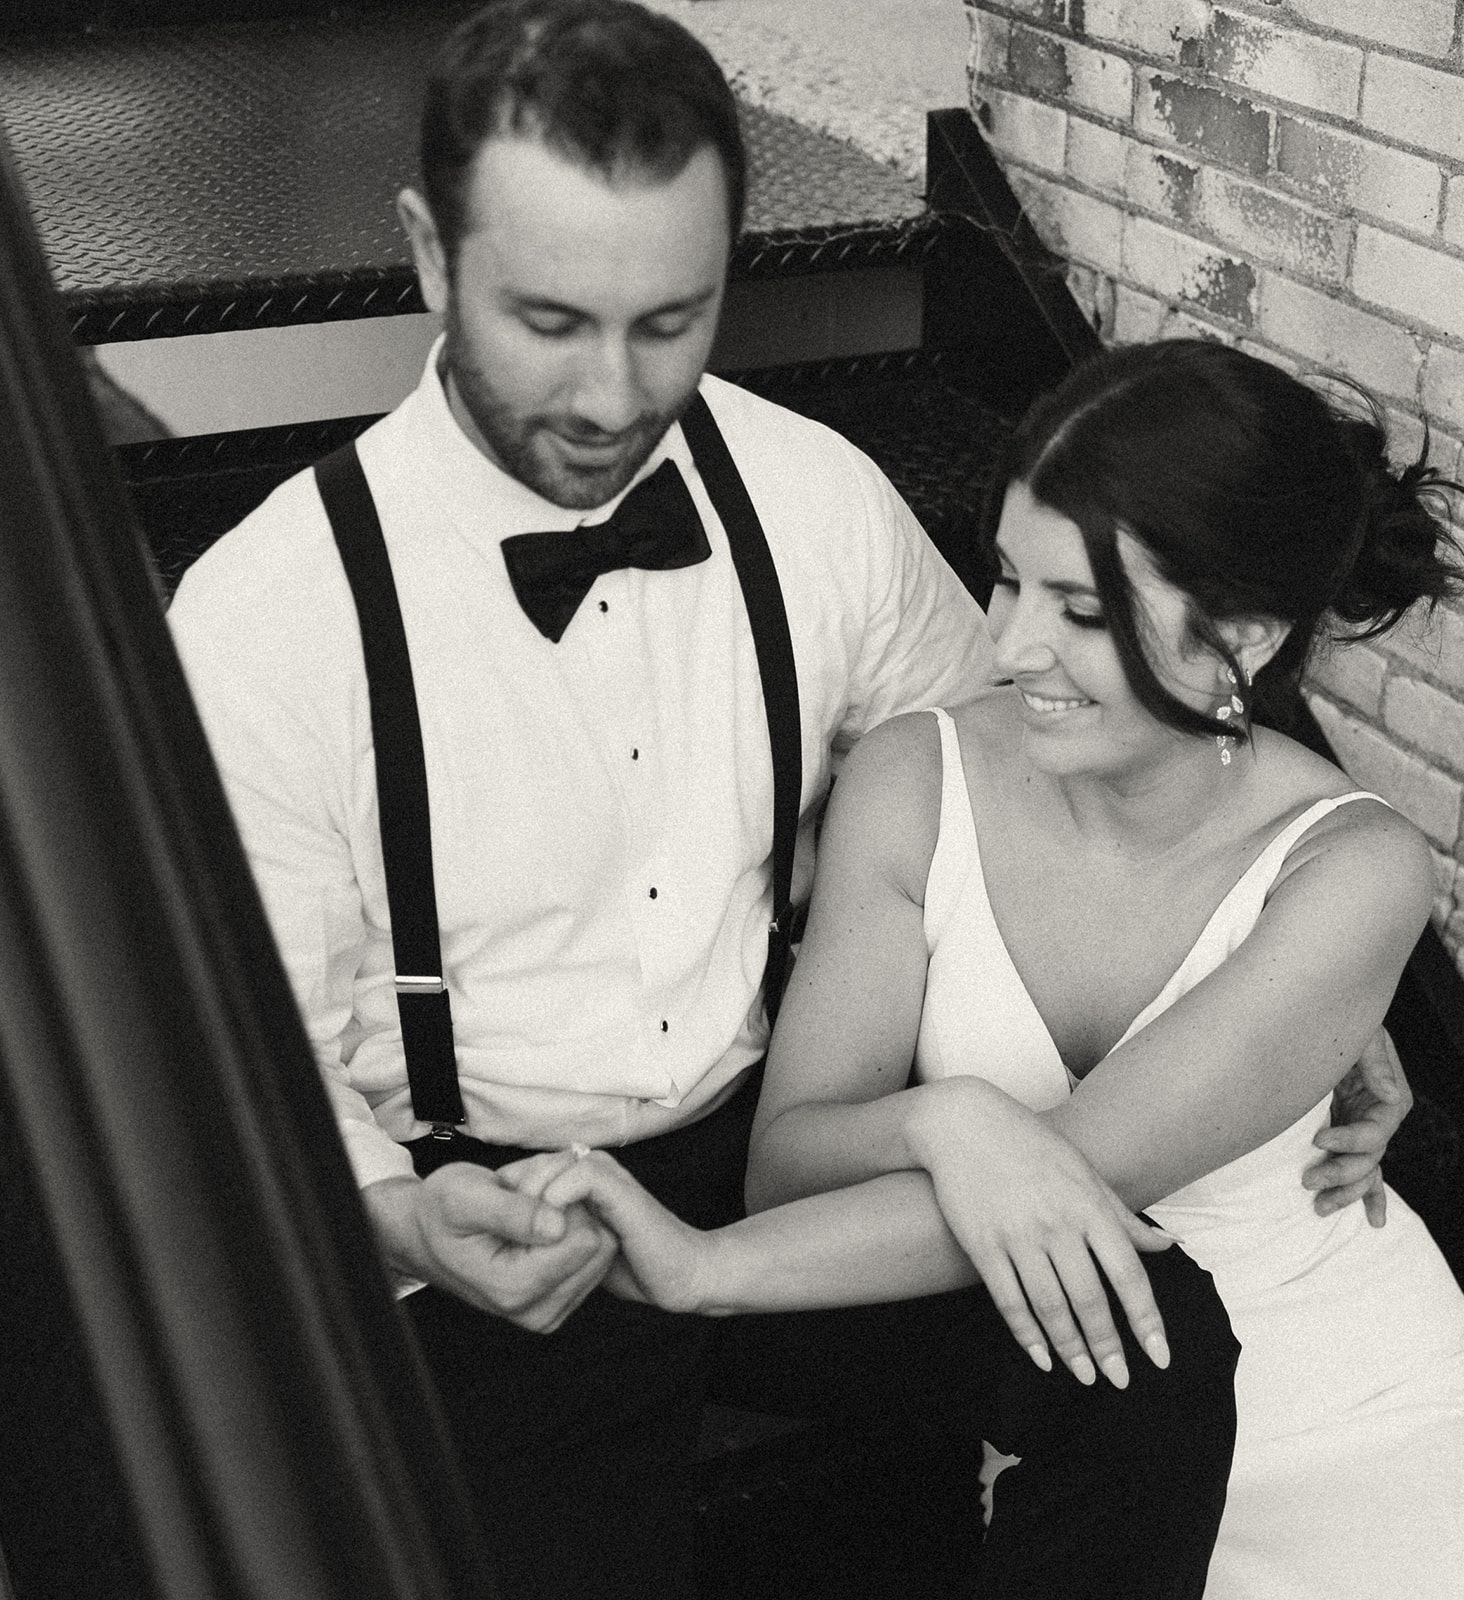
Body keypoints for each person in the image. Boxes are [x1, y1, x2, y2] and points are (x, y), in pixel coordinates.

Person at [167, 4, 1394, 1593]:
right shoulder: (266, 620)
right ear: (425, 254)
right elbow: (243, 1052)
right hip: (478, 1217)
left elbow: (1018, 747)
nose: (614, 396)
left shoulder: (807, 498)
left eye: (672, 321)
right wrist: (398, 1219)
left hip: (774, 1138)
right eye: (551, 320)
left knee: (1149, 1370)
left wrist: (1308, 1004)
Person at [679, 337, 1460, 1599]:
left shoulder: (1352, 869)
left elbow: (1067, 1183)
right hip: (1088, 1413)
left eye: (1082, 613)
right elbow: (788, 1163)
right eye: (1005, 581)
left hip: (1350, 1416)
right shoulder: (916, 777)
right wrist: (951, 1115)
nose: (1010, 646)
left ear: (1243, 639)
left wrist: (698, 1274)